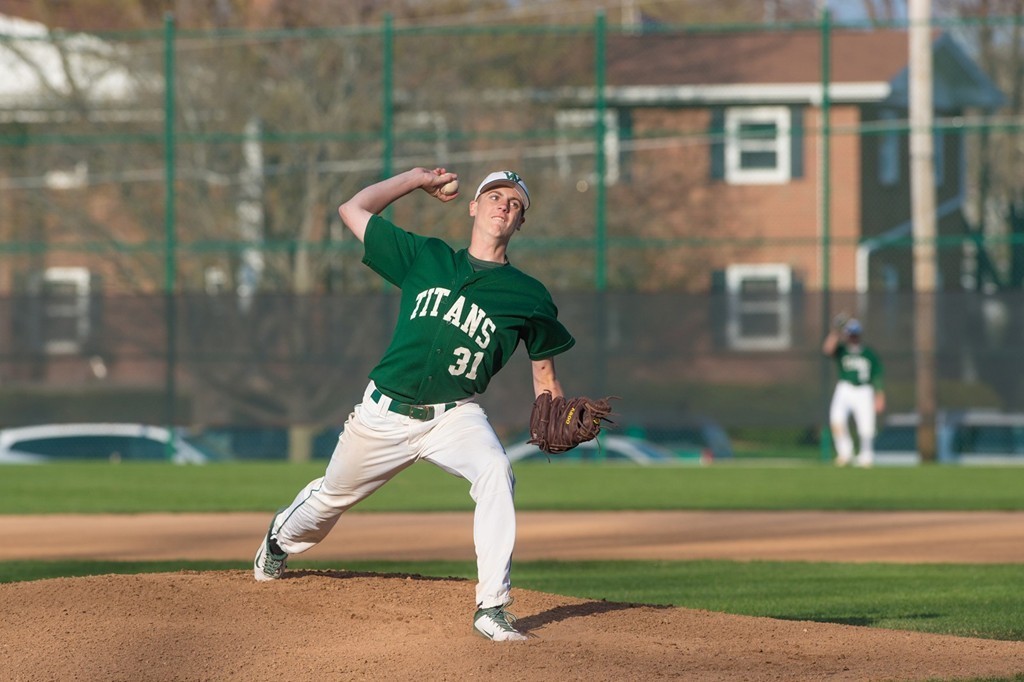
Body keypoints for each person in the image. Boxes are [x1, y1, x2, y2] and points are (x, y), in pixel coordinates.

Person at [253, 167, 576, 642]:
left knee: (495, 472)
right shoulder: (427, 257)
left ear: (520, 223)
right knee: (329, 501)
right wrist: (416, 179)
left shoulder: (528, 296)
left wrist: (556, 409)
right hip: (383, 413)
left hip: (455, 416)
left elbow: (544, 373)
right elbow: (352, 210)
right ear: (474, 206)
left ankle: (492, 607)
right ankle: (280, 537)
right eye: (495, 196)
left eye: (515, 204)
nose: (503, 206)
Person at [822, 317, 886, 467]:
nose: (853, 337)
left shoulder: (868, 353)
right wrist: (835, 332)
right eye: (850, 334)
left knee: (866, 425)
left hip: (864, 390)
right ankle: (845, 454)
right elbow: (827, 350)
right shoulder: (842, 350)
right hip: (845, 388)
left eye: (855, 334)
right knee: (837, 420)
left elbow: (877, 375)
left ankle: (866, 455)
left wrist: (880, 395)